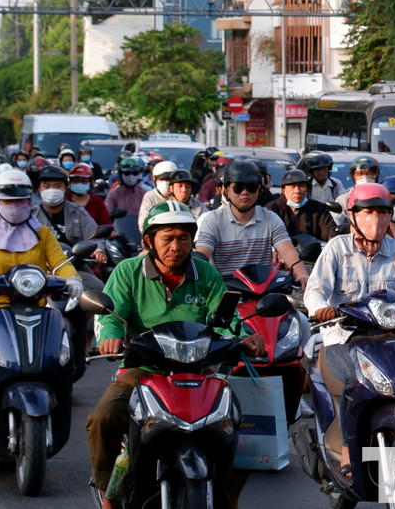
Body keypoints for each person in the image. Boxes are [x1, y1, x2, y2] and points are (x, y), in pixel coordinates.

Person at [86, 201, 266, 509]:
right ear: (149, 241)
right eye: (167, 238)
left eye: (183, 238)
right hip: (144, 371)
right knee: (103, 417)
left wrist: (245, 336)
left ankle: (228, 495)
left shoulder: (206, 273)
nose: (176, 246)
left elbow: (225, 319)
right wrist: (110, 338)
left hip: (199, 372)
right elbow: (110, 315)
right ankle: (108, 494)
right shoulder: (128, 272)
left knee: (239, 419)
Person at [301, 182, 395, 477]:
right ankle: (348, 447)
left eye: (383, 212)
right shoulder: (337, 249)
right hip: (344, 336)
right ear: (353, 215)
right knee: (353, 380)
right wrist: (321, 308)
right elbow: (315, 290)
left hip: (391, 335)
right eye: (369, 212)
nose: (378, 219)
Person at [0, 170, 81, 433]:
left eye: (21, 201)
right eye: (8, 201)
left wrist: (73, 279)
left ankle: (59, 395)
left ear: (29, 200)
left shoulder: (43, 234)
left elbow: (60, 263)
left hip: (38, 310)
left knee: (61, 346)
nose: (15, 206)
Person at [193, 159, 309, 282]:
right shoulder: (212, 220)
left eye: (251, 188)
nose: (245, 193)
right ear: (226, 191)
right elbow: (202, 256)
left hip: (264, 290)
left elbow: (288, 252)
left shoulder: (271, 219)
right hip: (224, 289)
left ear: (259, 190)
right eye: (238, 188)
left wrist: (302, 275)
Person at [268, 169, 336, 242]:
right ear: (283, 190)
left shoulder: (319, 209)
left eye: (301, 186)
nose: (297, 191)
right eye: (292, 187)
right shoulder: (272, 209)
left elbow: (330, 231)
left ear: (307, 189)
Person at [104, 157, 149, 223]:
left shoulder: (145, 194)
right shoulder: (113, 194)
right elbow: (106, 214)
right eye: (127, 173)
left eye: (134, 173)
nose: (131, 176)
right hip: (119, 228)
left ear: (139, 174)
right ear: (120, 174)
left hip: (140, 228)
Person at [138, 160, 179, 226]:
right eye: (162, 179)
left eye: (169, 179)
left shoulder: (181, 194)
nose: (166, 182)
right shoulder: (150, 197)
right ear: (155, 180)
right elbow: (143, 224)